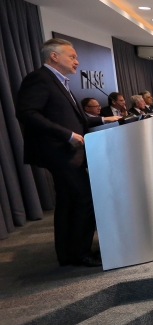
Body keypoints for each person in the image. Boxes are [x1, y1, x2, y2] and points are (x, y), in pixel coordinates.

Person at [16, 39, 101, 267]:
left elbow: (74, 117)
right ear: (54, 56)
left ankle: (68, 254)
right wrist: (67, 135)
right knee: (84, 198)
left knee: (69, 201)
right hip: (59, 152)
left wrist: (105, 119)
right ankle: (80, 253)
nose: (77, 61)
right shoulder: (40, 78)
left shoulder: (59, 81)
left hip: (69, 152)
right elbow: (27, 113)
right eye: (72, 56)